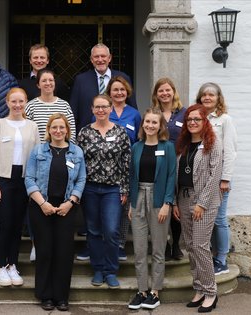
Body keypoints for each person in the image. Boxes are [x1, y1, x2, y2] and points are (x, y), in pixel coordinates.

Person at [25, 113, 86, 312]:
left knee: (64, 253)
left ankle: (61, 297)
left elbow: (81, 180)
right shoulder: (38, 151)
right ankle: (46, 295)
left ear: (67, 130)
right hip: (41, 207)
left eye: (62, 127)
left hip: (66, 209)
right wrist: (42, 203)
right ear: (48, 130)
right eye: (54, 127)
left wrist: (71, 202)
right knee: (44, 252)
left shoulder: (76, 152)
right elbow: (29, 179)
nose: (58, 131)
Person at [0, 87, 40, 287]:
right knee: (5, 225)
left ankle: (13, 265)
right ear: (7, 102)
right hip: (4, 179)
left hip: (24, 180)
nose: (17, 105)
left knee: (18, 226)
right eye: (13, 101)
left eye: (21, 101)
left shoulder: (32, 126)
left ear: (25, 102)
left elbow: (37, 155)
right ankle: (1, 265)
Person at [77, 94, 131, 288]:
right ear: (92, 109)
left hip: (112, 189)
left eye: (104, 107)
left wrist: (125, 188)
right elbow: (77, 162)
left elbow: (126, 162)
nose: (101, 110)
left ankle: (111, 270)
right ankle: (98, 269)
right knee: (93, 230)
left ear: (110, 108)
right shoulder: (84, 133)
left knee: (111, 230)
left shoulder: (121, 132)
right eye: (97, 107)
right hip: (90, 188)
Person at [174, 104, 222, 313]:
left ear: (205, 121)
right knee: (190, 245)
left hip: (205, 201)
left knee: (201, 246)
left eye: (197, 119)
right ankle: (199, 288)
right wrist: (175, 202)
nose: (192, 122)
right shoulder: (183, 144)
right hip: (183, 198)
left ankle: (211, 292)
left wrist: (202, 203)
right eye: (189, 119)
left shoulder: (213, 143)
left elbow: (214, 176)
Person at [127, 108, 176, 310]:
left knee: (157, 249)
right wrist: (131, 203)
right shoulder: (136, 147)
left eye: (154, 122)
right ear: (143, 124)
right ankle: (141, 291)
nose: (150, 125)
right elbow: (132, 177)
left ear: (160, 125)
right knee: (139, 250)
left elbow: (171, 176)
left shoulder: (168, 147)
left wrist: (167, 203)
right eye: (147, 122)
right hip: (138, 198)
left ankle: (154, 292)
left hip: (158, 200)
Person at [98, 75, 141, 261]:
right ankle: (103, 244)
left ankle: (121, 244)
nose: (119, 92)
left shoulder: (134, 114)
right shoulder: (103, 111)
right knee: (105, 207)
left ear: (127, 92)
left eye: (122, 89)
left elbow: (140, 139)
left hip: (127, 166)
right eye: (115, 89)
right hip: (104, 169)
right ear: (109, 92)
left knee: (124, 206)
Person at [196, 82, 237, 275]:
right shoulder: (198, 118)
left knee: (219, 219)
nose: (207, 98)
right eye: (204, 95)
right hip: (203, 178)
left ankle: (221, 258)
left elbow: (230, 151)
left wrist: (226, 179)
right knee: (207, 219)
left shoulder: (224, 120)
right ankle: (212, 255)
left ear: (218, 98)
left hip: (220, 178)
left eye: (211, 95)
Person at [152, 77, 187, 260]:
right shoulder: (153, 113)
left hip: (180, 163)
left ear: (173, 92)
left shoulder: (184, 113)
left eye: (167, 90)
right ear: (156, 94)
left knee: (177, 205)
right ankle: (163, 244)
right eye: (161, 91)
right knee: (160, 204)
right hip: (158, 165)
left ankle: (176, 245)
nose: (165, 93)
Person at [70, 43, 138, 132]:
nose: (100, 60)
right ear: (91, 59)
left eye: (103, 56)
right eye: (96, 57)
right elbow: (74, 111)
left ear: (109, 58)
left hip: (119, 133)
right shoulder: (81, 80)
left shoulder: (123, 77)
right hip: (88, 134)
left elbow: (132, 105)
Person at [25, 68, 76, 142]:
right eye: (44, 81)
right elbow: (27, 133)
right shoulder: (30, 106)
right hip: (39, 152)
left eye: (51, 80)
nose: (48, 83)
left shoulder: (64, 105)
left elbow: (72, 133)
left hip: (61, 151)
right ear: (38, 85)